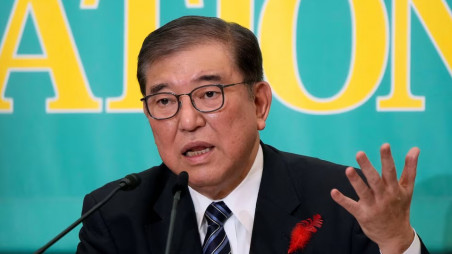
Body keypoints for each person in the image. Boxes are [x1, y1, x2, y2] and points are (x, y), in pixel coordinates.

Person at [77, 16, 429, 254]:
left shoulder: (344, 203)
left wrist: (397, 242)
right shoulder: (116, 216)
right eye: (165, 100)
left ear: (259, 103)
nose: (187, 121)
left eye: (209, 95)